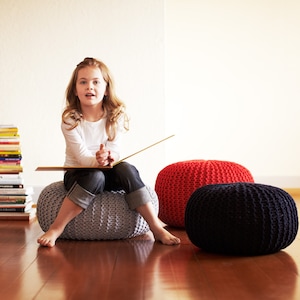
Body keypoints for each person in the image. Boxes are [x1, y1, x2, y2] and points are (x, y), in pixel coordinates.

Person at [37, 57, 180, 247]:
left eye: (96, 82)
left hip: (107, 170)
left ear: (106, 89)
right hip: (80, 174)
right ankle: (57, 227)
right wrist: (98, 160)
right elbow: (81, 157)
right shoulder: (70, 119)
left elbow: (115, 150)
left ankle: (156, 227)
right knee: (95, 176)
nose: (90, 87)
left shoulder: (115, 116)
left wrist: (110, 157)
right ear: (75, 90)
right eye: (83, 82)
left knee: (127, 169)